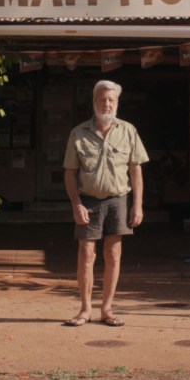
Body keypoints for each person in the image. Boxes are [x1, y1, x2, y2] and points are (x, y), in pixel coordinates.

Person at [62, 80, 149, 327]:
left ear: (117, 103)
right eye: (102, 99)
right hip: (87, 199)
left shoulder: (128, 131)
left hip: (118, 199)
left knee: (112, 253)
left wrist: (137, 205)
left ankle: (107, 309)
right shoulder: (78, 133)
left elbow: (136, 170)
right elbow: (69, 173)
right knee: (86, 253)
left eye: (111, 100)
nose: (107, 104)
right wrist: (76, 204)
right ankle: (85, 310)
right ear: (94, 101)